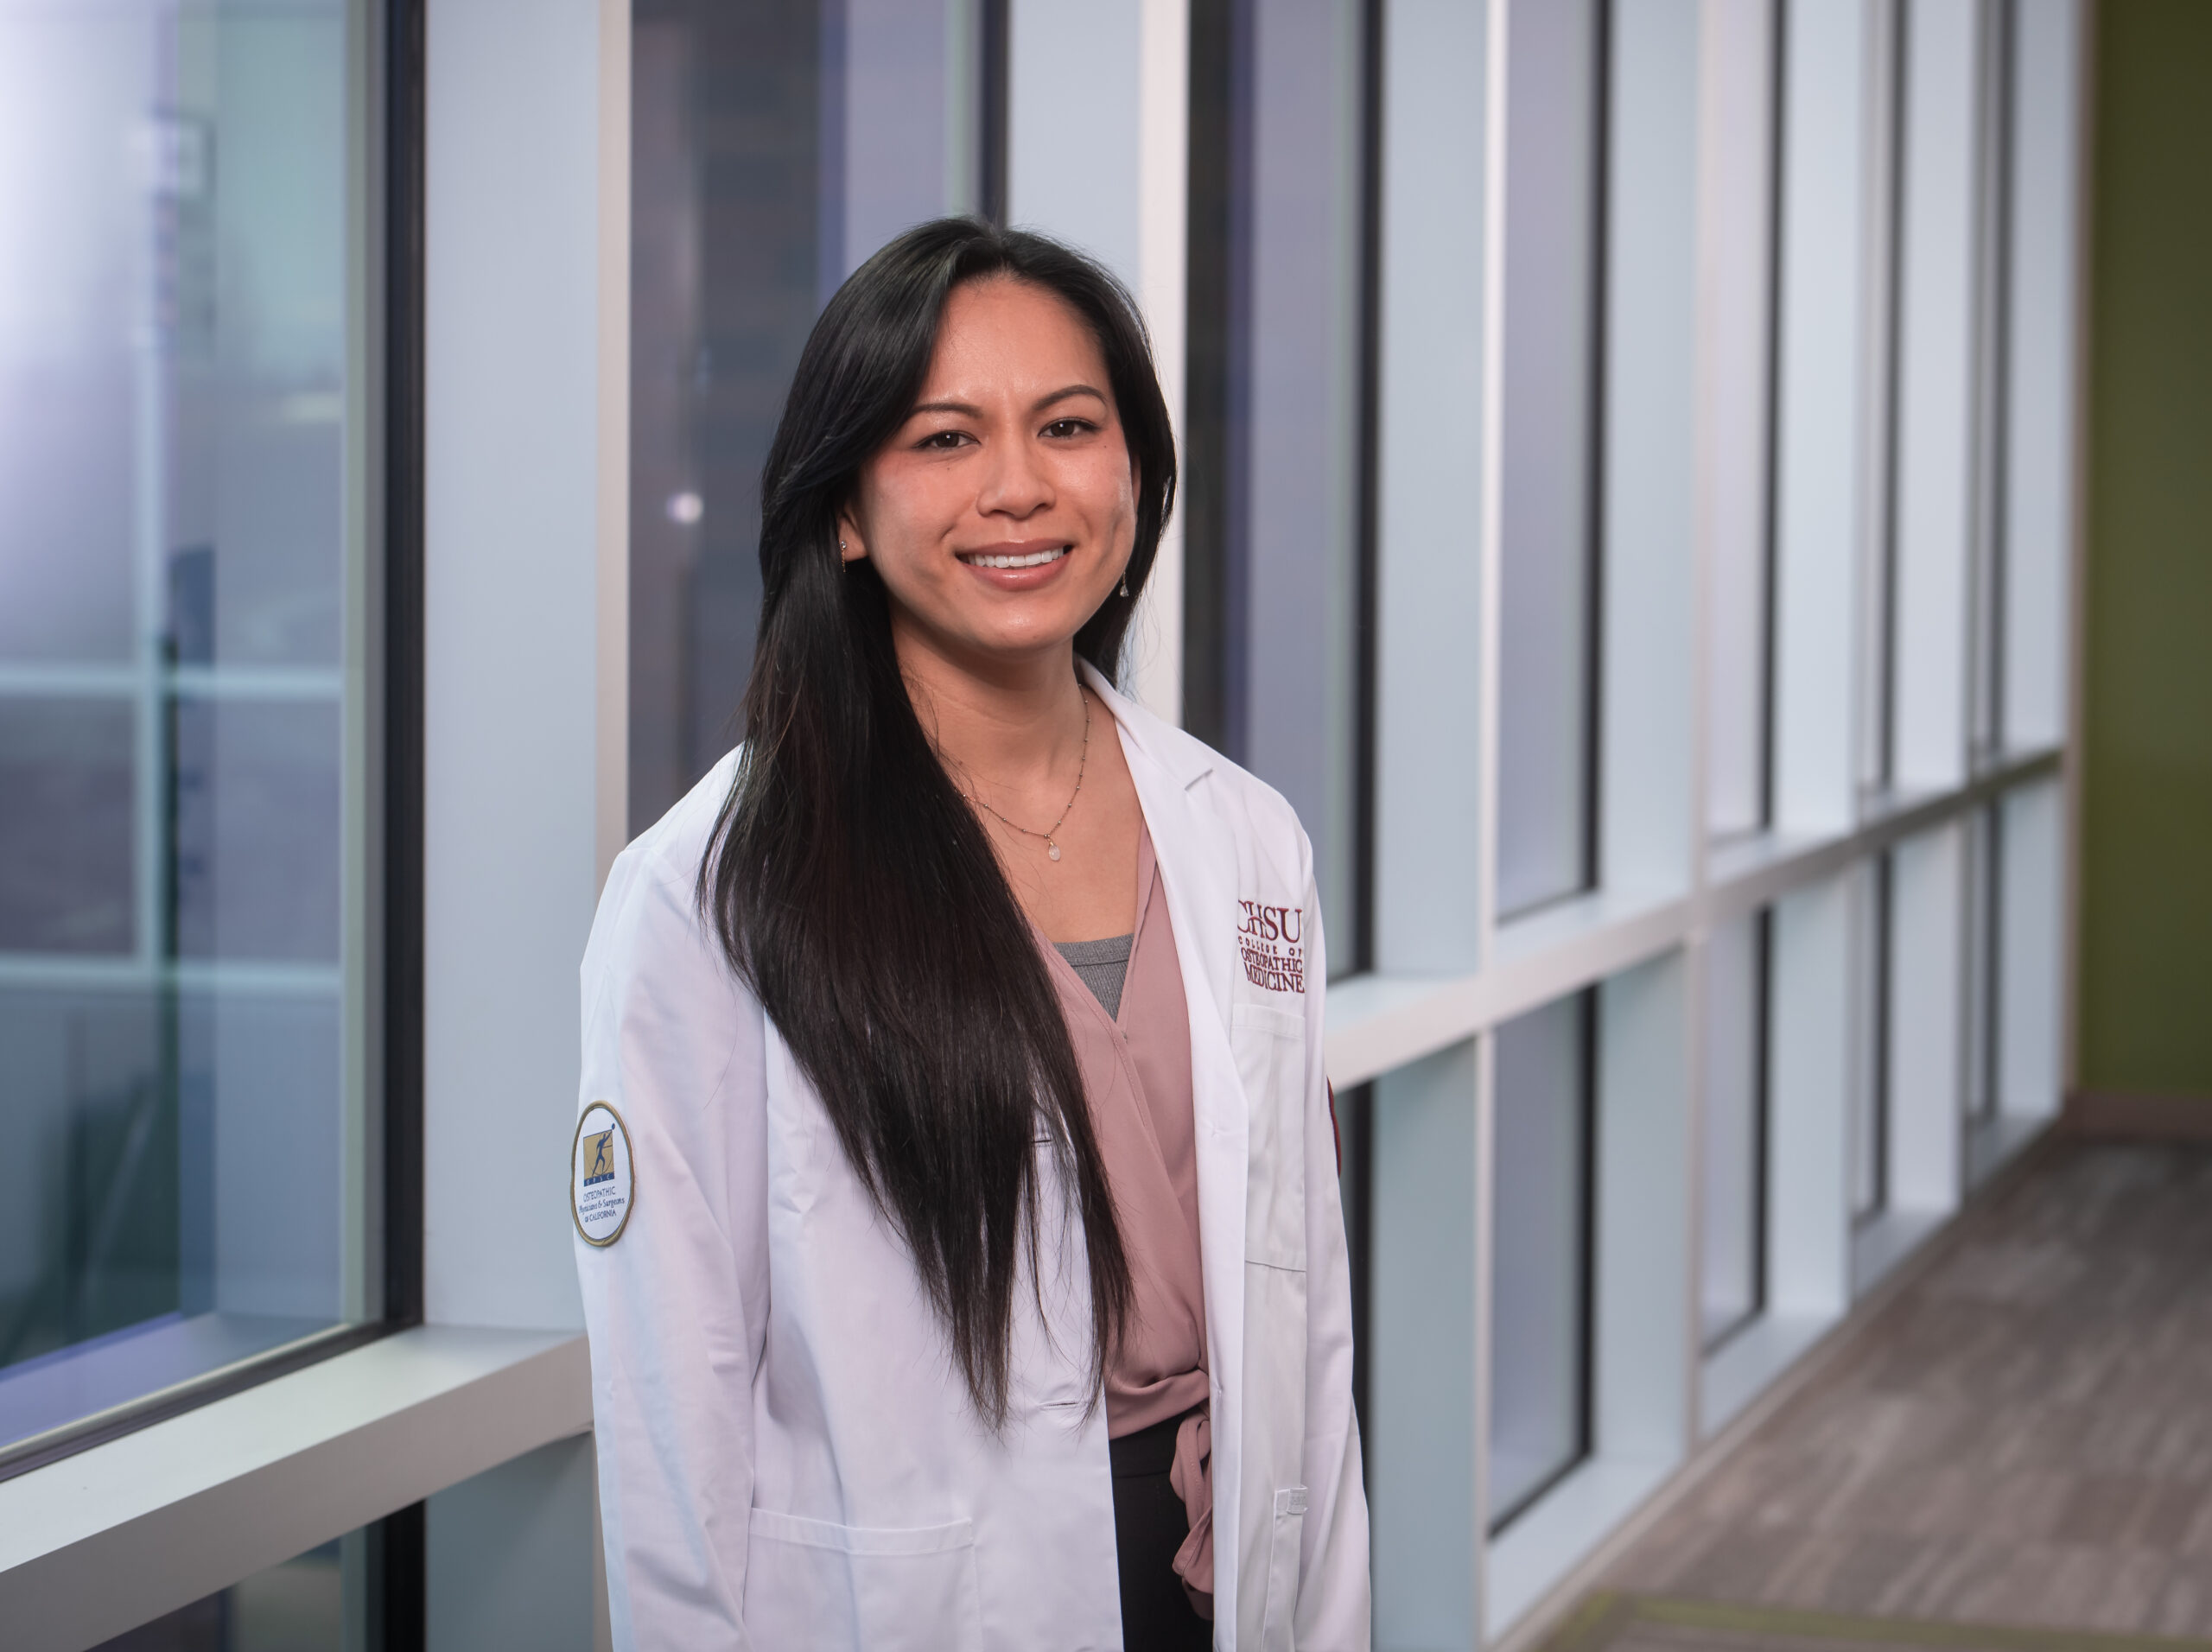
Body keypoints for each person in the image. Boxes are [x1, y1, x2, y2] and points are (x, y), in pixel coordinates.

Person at [573, 217, 1369, 1650]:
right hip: (922, 1603)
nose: (1019, 487)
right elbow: (668, 1418)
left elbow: (1305, 1315)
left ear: (1133, 470)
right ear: (843, 511)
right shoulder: (714, 893)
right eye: (944, 439)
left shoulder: (1245, 835)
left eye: (1069, 425)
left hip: (1218, 1557)